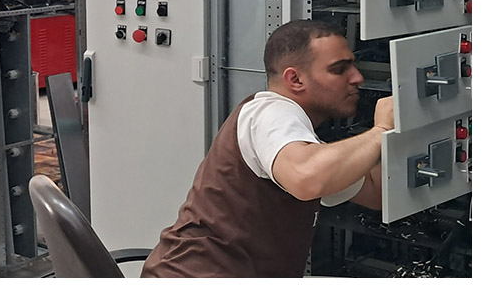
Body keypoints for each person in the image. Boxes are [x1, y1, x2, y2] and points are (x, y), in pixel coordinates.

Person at [140, 19, 393, 277]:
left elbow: (375, 191)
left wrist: (408, 130)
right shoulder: (270, 113)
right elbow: (307, 177)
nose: (357, 78)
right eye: (339, 70)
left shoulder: (299, 144)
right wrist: (381, 130)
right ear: (295, 79)